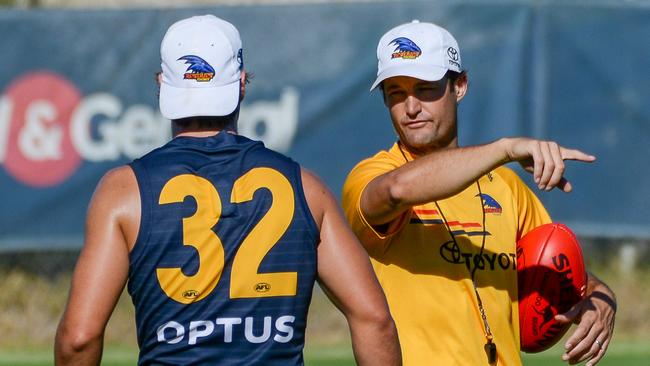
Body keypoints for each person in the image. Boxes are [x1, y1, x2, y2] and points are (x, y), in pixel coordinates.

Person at [55, 15, 401, 366]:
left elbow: (79, 339)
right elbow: (374, 320)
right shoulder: (306, 189)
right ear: (241, 84)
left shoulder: (124, 191)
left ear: (162, 84)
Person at [342, 20, 616, 366]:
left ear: (460, 86)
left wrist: (601, 296)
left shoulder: (507, 188)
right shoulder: (372, 176)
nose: (410, 108)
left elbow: (551, 269)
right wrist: (506, 147)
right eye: (396, 92)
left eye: (425, 89)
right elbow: (397, 190)